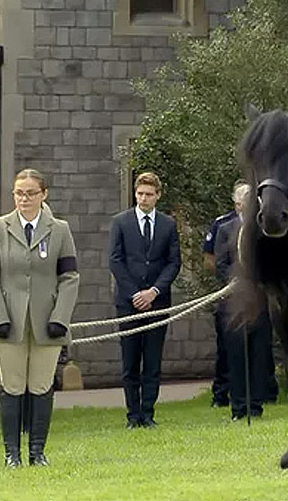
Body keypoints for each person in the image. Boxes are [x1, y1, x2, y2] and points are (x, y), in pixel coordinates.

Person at [0, 168, 79, 468]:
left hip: (46, 321)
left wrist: (60, 316)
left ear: (43, 194)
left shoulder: (59, 229)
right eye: (19, 193)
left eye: (30, 193)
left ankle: (37, 451)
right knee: (12, 385)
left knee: (40, 385)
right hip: (8, 321)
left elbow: (70, 276)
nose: (24, 199)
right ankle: (12, 454)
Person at [109, 172, 181, 429]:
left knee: (152, 360)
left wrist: (154, 292)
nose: (143, 198)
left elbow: (173, 262)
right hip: (128, 303)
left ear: (157, 196)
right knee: (130, 361)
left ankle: (148, 412)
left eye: (149, 194)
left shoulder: (168, 224)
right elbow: (115, 261)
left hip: (158, 302)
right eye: (140, 193)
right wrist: (135, 294)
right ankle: (132, 414)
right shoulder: (121, 222)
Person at [215, 183, 272, 420]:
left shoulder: (264, 229)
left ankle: (256, 405)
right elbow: (220, 264)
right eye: (244, 202)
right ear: (237, 204)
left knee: (259, 355)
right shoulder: (225, 229)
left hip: (259, 302)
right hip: (234, 302)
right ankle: (238, 406)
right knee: (237, 356)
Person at [203, 179, 245, 408]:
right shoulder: (223, 225)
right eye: (239, 202)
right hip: (228, 294)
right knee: (226, 349)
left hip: (254, 297)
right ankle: (221, 393)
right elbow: (211, 260)